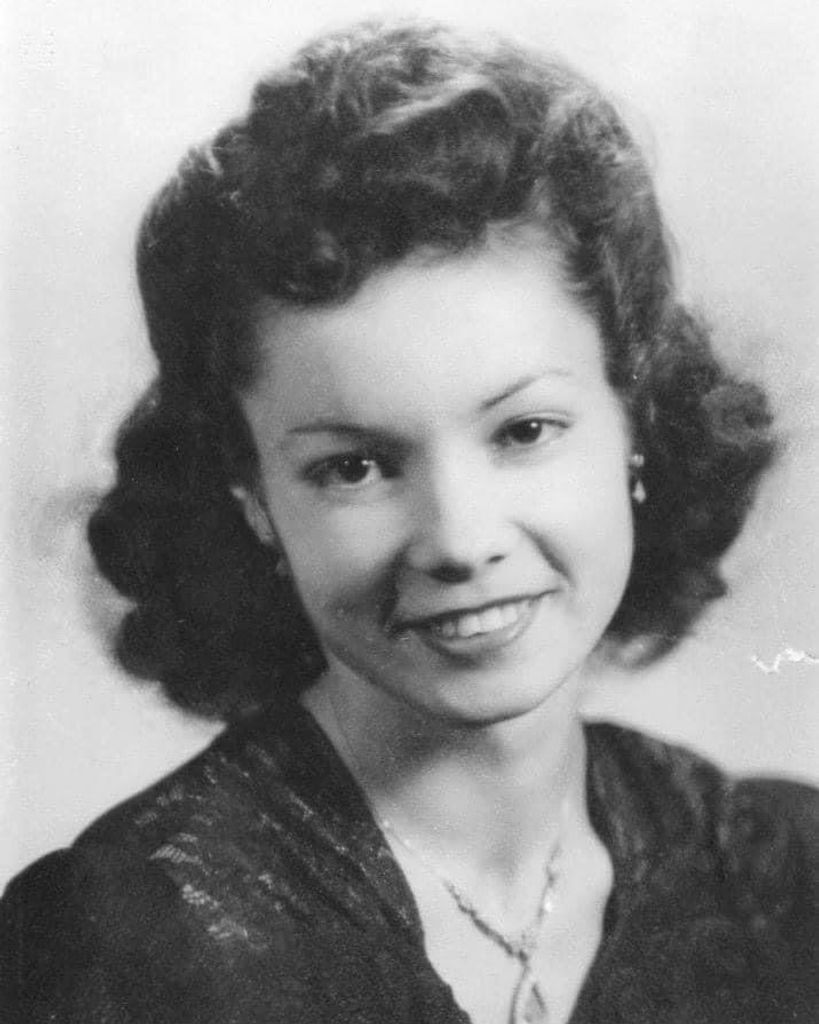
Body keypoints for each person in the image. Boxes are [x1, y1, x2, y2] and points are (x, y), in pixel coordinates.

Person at [1, 18, 817, 1024]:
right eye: (353, 467)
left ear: (633, 426)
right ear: (255, 500)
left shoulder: (781, 877)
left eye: (523, 431)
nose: (459, 541)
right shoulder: (125, 946)